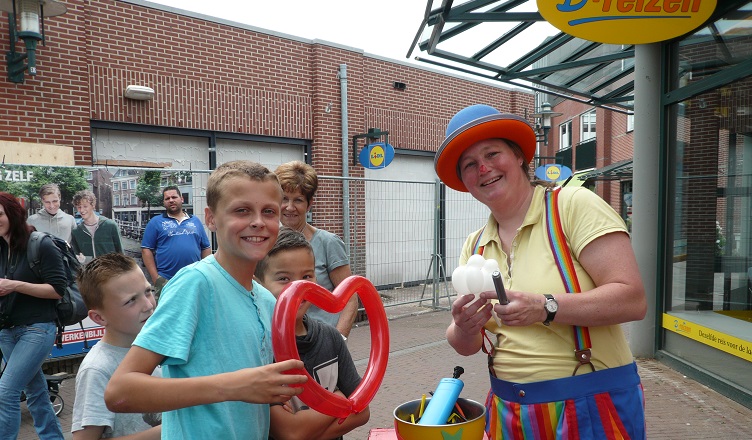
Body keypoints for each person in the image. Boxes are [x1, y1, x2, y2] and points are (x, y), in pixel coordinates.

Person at [436, 104, 648, 439]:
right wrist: (463, 327)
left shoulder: (573, 206)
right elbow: (466, 343)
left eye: (492, 153)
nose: (484, 168)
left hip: (588, 404)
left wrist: (546, 307)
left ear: (519, 156)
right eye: (470, 165)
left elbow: (633, 300)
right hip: (509, 412)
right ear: (464, 180)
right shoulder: (474, 245)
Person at [104, 160, 307, 440]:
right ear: (210, 219)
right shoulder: (194, 284)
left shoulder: (266, 300)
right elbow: (120, 392)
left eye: (268, 211)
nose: (258, 221)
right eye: (242, 210)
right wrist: (237, 386)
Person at [255, 227, 369, 440]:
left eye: (307, 275)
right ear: (259, 284)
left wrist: (305, 431)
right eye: (283, 278)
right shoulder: (259, 346)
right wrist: (338, 398)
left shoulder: (331, 337)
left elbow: (362, 412)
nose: (298, 287)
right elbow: (289, 431)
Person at [72, 253, 161, 439]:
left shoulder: (156, 348)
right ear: (99, 318)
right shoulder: (97, 370)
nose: (148, 305)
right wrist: (170, 430)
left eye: (148, 291)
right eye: (130, 301)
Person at [0, 192, 66, 439]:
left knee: (5, 392)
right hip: (6, 331)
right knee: (36, 391)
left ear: (13, 214)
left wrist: (14, 285)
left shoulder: (40, 243)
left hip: (37, 329)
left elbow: (57, 290)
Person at [274, 161, 357, 338]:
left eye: (298, 200)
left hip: (322, 341)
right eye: (284, 199)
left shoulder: (328, 243)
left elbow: (350, 298)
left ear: (309, 204)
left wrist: (339, 339)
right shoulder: (268, 243)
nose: (289, 207)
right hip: (283, 342)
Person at [141, 185, 211, 300]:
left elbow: (206, 248)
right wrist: (156, 278)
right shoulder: (155, 222)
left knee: (195, 313)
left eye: (174, 197)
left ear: (181, 199)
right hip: (167, 280)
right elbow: (146, 249)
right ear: (164, 202)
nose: (171, 200)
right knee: (168, 316)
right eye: (167, 199)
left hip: (194, 279)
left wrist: (204, 272)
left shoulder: (195, 221)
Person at [71, 190, 123, 262]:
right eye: (79, 207)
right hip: (89, 272)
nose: (82, 210)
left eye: (85, 206)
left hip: (111, 272)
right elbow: (76, 257)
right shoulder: (76, 232)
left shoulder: (110, 226)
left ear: (93, 206)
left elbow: (121, 254)